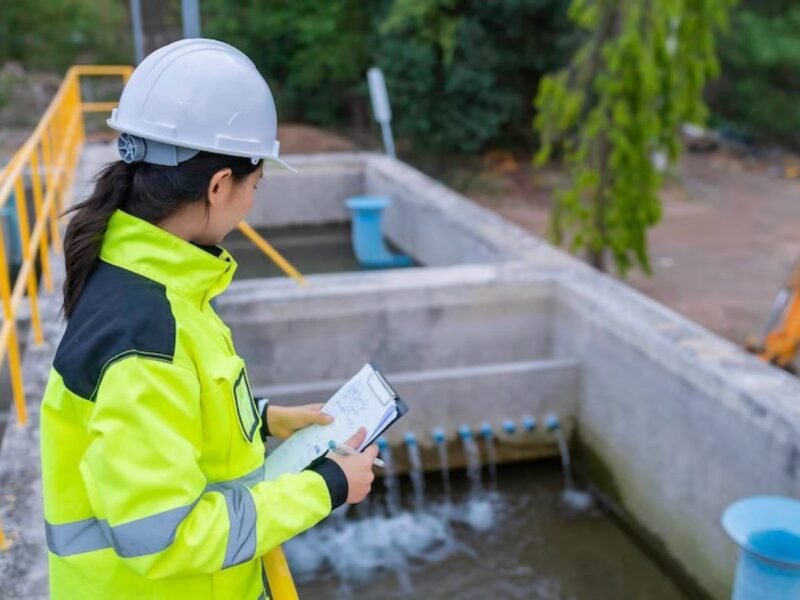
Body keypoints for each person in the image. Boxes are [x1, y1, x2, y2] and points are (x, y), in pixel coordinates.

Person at [40, 38, 378, 599]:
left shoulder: (152, 286)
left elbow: (170, 417)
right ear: (220, 185)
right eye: (255, 184)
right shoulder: (146, 332)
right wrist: (326, 487)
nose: (252, 203)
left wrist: (266, 419)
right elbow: (165, 537)